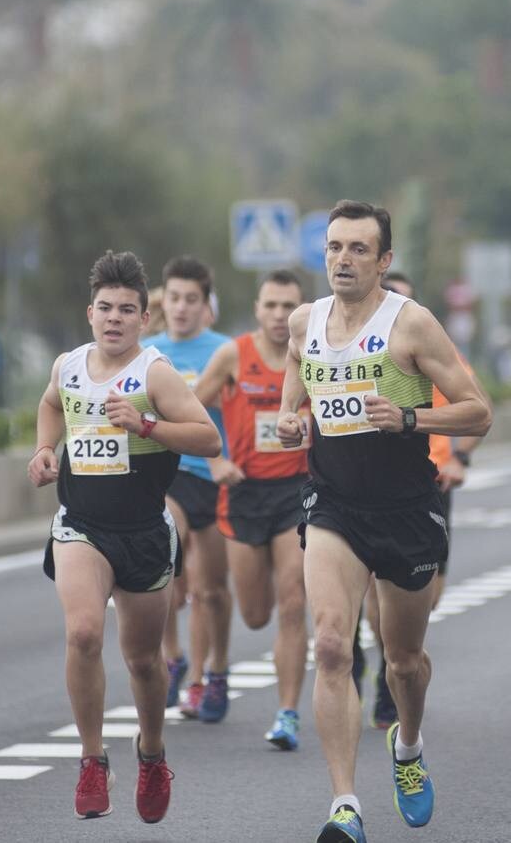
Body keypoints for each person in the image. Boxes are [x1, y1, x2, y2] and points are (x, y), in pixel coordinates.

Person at [276, 200, 492, 843]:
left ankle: (409, 744)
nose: (344, 259)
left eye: (359, 249)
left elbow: (478, 412)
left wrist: (407, 418)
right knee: (334, 645)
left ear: (384, 260)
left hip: (405, 508)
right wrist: (292, 415)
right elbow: (297, 367)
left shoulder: (412, 325)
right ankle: (345, 805)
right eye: (335, 247)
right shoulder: (304, 321)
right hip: (334, 504)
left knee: (404, 663)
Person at [27, 250, 220, 822]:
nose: (114, 318)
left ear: (143, 319)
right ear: (91, 313)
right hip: (81, 524)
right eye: (105, 308)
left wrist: (147, 424)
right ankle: (91, 760)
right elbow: (49, 403)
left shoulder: (155, 372)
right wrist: (43, 449)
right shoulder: (69, 365)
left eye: (127, 310)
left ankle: (152, 754)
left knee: (142, 661)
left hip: (143, 532)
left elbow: (208, 440)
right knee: (84, 631)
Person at [193, 270, 312, 751]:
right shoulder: (232, 355)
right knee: (257, 614)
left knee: (293, 602)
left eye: (289, 306)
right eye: (272, 305)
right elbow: (188, 408)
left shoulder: (315, 353)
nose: (280, 316)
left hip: (296, 491)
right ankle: (218, 669)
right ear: (258, 308)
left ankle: (287, 713)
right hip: (243, 494)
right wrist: (216, 459)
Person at [360, 270, 483, 731]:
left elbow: (474, 410)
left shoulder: (430, 344)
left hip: (431, 484)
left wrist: (460, 462)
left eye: (404, 301)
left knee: (425, 598)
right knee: (373, 590)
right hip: (372, 486)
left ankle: (400, 659)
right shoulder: (360, 351)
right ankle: (383, 673)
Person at [143, 257, 234, 723]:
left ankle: (210, 672)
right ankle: (174, 657)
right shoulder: (147, 352)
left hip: (213, 477)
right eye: (174, 298)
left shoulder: (226, 350)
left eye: (191, 300)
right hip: (167, 476)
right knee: (166, 564)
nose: (181, 308)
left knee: (211, 589)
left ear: (206, 305)